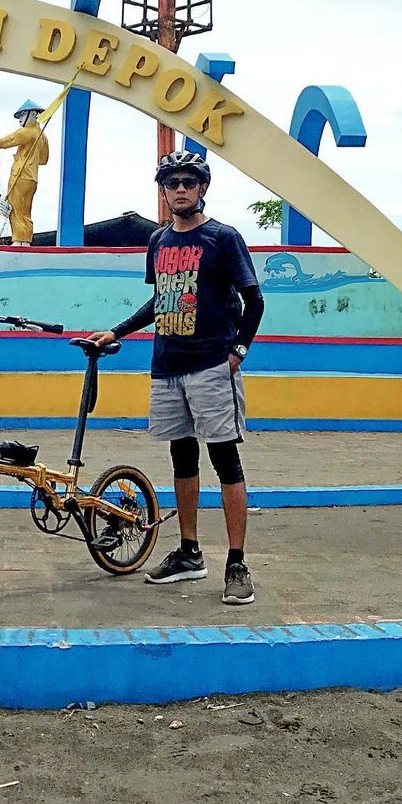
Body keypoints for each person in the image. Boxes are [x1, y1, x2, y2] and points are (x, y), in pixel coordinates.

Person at [88, 150, 264, 605]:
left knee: (225, 461)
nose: (180, 189)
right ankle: (189, 553)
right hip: (167, 366)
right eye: (172, 183)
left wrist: (237, 351)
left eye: (189, 182)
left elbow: (253, 300)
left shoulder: (223, 238)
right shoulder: (159, 242)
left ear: (203, 188)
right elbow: (162, 302)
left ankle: (237, 563)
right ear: (163, 191)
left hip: (211, 365)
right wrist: (116, 331)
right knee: (182, 460)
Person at [0, 99, 49, 246]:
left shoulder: (27, 132)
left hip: (20, 175)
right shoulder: (42, 137)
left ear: (32, 114)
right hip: (32, 178)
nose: (20, 119)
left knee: (15, 208)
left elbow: (11, 139)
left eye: (22, 115)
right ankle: (25, 240)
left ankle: (18, 240)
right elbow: (43, 159)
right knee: (26, 210)